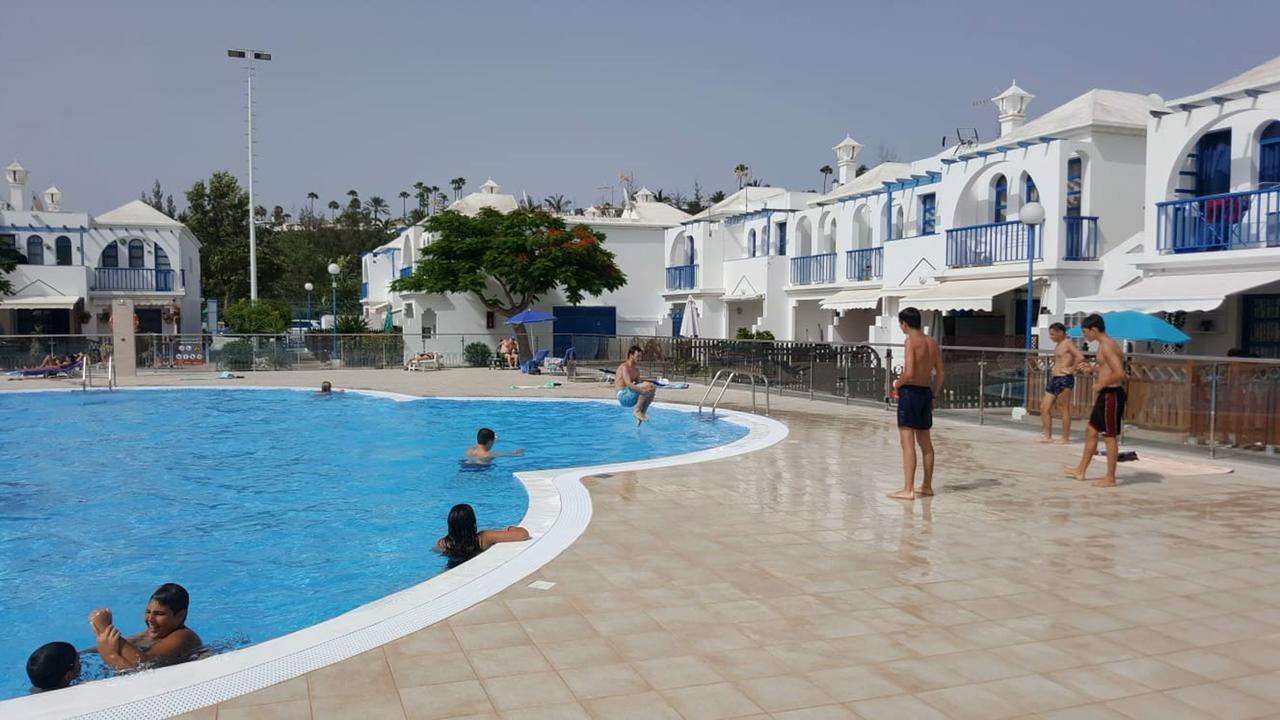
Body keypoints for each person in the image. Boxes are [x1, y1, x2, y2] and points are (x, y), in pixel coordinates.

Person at [1065, 313, 1127, 487]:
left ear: (1094, 329)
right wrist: (1092, 369)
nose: (1085, 336)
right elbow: (1106, 367)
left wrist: (1101, 385)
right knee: (1091, 431)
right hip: (1106, 394)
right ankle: (1081, 470)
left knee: (1109, 436)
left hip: (1111, 394)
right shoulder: (1103, 345)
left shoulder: (1107, 346)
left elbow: (1119, 373)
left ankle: (1110, 477)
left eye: (1086, 332)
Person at [889, 307, 945, 501]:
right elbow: (941, 373)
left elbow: (910, 372)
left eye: (900, 324)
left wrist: (897, 383)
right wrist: (934, 396)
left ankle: (908, 489)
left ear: (904, 323)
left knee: (907, 443)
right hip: (925, 393)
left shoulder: (910, 342)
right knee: (926, 443)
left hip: (911, 393)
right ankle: (927, 486)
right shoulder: (932, 343)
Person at [88, 583, 202, 670]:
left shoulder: (184, 636)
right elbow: (119, 643)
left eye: (159, 614)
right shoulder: (151, 634)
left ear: (180, 616)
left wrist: (106, 629)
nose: (150, 619)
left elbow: (145, 665)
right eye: (148, 612)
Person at [436, 503, 530, 567]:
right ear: (472, 521)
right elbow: (523, 534)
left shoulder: (443, 543)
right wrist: (509, 528)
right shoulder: (484, 537)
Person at [1040, 322, 1085, 444]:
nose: (1051, 337)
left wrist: (1071, 369)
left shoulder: (1068, 343)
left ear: (1060, 332)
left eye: (1052, 334)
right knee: (1044, 407)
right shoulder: (1059, 344)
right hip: (1055, 378)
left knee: (1063, 408)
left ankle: (1065, 438)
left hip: (1064, 378)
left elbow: (1080, 356)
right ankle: (1047, 436)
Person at [615, 345, 657, 423]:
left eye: (640, 356)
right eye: (638, 356)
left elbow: (639, 384)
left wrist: (647, 391)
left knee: (652, 388)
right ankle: (637, 411)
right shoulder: (624, 367)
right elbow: (628, 384)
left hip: (630, 396)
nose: (639, 359)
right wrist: (642, 391)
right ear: (631, 355)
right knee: (647, 387)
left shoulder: (636, 370)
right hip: (623, 396)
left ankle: (641, 414)